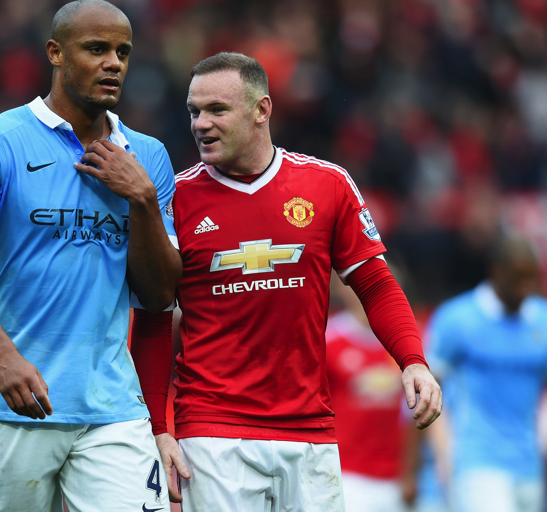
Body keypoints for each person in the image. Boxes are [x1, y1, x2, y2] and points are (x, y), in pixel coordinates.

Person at [130, 52, 442, 511]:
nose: (200, 124)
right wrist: (158, 427)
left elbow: (375, 284)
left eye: (217, 110)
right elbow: (154, 318)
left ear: (262, 110)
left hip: (311, 429)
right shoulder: (175, 198)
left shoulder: (327, 185)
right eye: (194, 111)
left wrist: (412, 361)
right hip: (214, 433)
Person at [0, 0, 181, 512]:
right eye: (96, 49)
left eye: (122, 52)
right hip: (13, 402)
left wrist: (141, 199)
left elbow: (160, 294)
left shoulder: (148, 156)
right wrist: (3, 356)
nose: (113, 63)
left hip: (113, 408)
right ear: (56, 53)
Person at [426, 236, 547, 512]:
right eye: (518, 278)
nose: (525, 287)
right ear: (497, 271)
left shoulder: (542, 320)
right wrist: (441, 453)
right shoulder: (457, 319)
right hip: (475, 462)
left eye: (530, 278)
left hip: (529, 464)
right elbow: (426, 388)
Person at [326, 275, 411, 512]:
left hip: (398, 477)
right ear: (343, 289)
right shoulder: (327, 340)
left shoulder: (407, 343)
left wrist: (411, 472)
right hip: (347, 474)